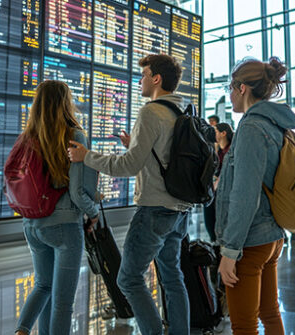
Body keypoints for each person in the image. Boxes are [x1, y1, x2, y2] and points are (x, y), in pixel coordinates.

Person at [68, 54, 192, 335]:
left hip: (154, 210)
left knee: (129, 280)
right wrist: (134, 143)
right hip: (180, 211)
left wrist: (87, 156)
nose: (140, 80)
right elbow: (164, 157)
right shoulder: (182, 112)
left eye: (144, 74)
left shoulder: (150, 112)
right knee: (172, 277)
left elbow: (128, 166)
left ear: (156, 79)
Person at [216, 56, 295, 335]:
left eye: (231, 87)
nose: (229, 94)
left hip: (250, 241)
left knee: (244, 325)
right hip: (272, 235)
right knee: (270, 314)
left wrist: (230, 251)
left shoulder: (251, 128)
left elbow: (245, 194)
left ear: (242, 88)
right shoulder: (274, 124)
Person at [14, 80, 100, 335]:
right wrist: (94, 211)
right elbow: (77, 192)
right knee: (63, 303)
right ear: (66, 102)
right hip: (64, 226)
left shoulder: (28, 136)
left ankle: (21, 330)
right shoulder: (74, 135)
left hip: (32, 224)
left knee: (43, 285)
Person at [203, 122, 234, 242]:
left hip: (225, 188)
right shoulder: (219, 150)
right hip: (217, 186)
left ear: (223, 133)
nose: (213, 134)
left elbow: (225, 171)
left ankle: (216, 239)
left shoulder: (230, 150)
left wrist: (216, 185)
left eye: (215, 131)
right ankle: (214, 239)